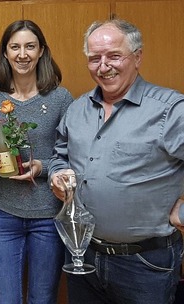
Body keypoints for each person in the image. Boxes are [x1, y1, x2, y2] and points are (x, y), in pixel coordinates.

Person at [49, 19, 184, 304]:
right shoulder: (77, 110)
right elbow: (59, 155)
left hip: (145, 264)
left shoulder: (169, 110)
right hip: (83, 257)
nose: (103, 66)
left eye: (114, 56)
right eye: (94, 58)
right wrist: (57, 174)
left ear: (137, 57)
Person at [0, 20, 73, 304]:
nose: (22, 54)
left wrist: (41, 167)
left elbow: (70, 154)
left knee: (43, 299)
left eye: (30, 46)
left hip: (48, 214)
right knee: (5, 300)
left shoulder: (60, 98)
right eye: (15, 47)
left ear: (41, 51)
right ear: (5, 53)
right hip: (1, 214)